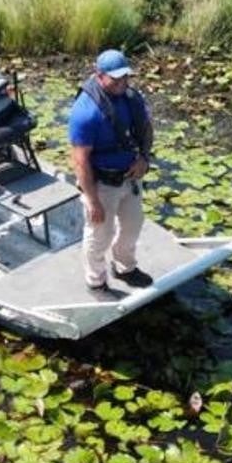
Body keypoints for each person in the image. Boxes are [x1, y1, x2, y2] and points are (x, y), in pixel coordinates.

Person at [69, 49, 155, 291]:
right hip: (102, 183)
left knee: (133, 226)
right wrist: (92, 200)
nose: (121, 83)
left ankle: (124, 267)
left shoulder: (131, 98)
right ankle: (95, 280)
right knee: (99, 235)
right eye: (115, 79)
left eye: (125, 77)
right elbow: (80, 161)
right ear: (99, 75)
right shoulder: (85, 113)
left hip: (130, 177)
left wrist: (144, 159)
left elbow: (146, 130)